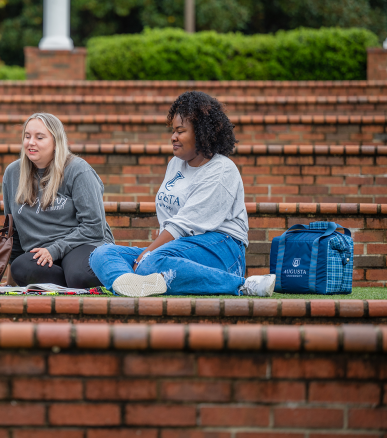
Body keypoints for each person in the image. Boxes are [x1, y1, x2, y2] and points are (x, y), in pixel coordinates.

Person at [89, 91, 276, 297]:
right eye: (173, 131)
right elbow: (170, 223)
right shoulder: (175, 164)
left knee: (150, 262)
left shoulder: (222, 170)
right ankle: (132, 286)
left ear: (202, 133)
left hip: (222, 248)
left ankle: (241, 285)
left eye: (180, 131)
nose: (173, 137)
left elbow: (186, 223)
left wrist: (149, 254)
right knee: (102, 253)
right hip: (178, 248)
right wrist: (152, 255)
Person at [2, 113, 114, 288]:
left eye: (39, 137)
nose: (31, 142)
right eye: (27, 136)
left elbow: (94, 227)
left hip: (81, 245)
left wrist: (53, 250)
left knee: (79, 275)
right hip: (41, 254)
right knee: (21, 268)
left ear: (56, 142)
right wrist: (10, 284)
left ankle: (93, 276)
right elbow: (13, 231)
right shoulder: (12, 173)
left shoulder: (78, 170)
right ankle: (69, 283)